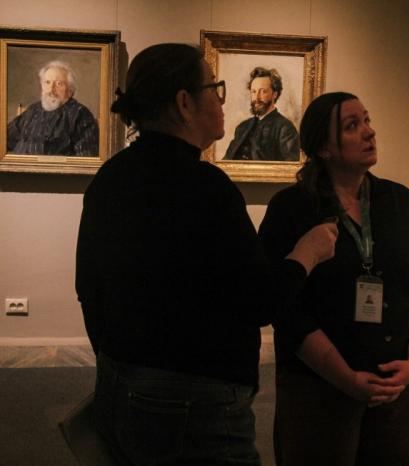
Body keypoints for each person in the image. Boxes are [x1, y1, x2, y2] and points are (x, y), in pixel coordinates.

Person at [75, 43, 337, 466]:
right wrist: (307, 252)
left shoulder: (110, 178)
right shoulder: (206, 187)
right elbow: (260, 301)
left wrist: (119, 362)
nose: (221, 99)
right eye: (214, 88)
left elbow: (88, 288)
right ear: (184, 102)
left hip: (120, 383)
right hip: (195, 403)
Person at [258, 92, 409, 465]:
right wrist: (346, 378)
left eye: (367, 120)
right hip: (319, 384)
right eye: (352, 126)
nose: (369, 132)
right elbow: (286, 309)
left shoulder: (401, 201)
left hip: (399, 383)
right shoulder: (291, 209)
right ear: (324, 148)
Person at [7, 60, 99, 156]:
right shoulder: (33, 110)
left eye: (59, 83)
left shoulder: (80, 114)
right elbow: (5, 139)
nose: (51, 90)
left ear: (70, 91)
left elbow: (86, 157)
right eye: (47, 82)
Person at [223, 66, 300, 161]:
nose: (257, 98)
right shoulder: (242, 127)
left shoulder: (285, 128)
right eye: (253, 92)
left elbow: (291, 165)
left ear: (274, 94)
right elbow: (226, 162)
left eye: (263, 91)